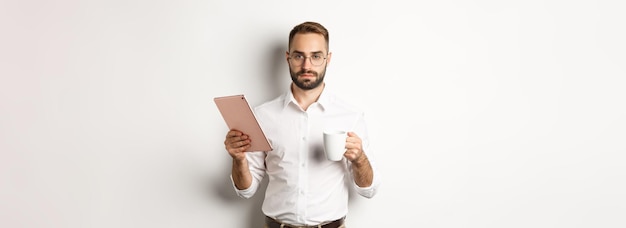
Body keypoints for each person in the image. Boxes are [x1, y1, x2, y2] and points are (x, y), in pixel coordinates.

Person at [224, 21, 381, 228]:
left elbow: (368, 190)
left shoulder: (349, 116)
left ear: (328, 59)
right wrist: (238, 159)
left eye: (316, 56)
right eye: (299, 56)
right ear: (288, 58)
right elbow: (246, 190)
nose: (307, 66)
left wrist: (360, 159)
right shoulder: (262, 116)